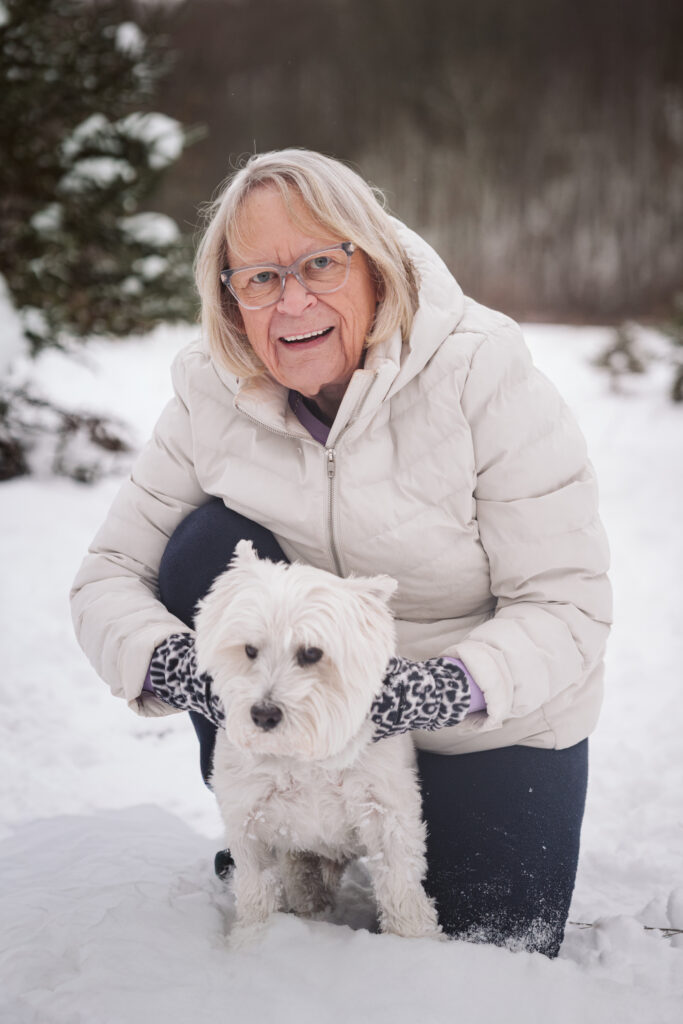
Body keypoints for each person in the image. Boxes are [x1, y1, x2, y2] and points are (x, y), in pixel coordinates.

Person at [70, 149, 612, 958]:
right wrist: (194, 672)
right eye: (257, 278)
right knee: (201, 553)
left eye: (319, 264)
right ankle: (271, 808)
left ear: (375, 263)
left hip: (480, 718)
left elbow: (568, 605)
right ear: (229, 295)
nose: (292, 301)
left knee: (494, 951)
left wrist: (433, 691)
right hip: (291, 691)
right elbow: (107, 578)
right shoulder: (208, 390)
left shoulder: (481, 372)